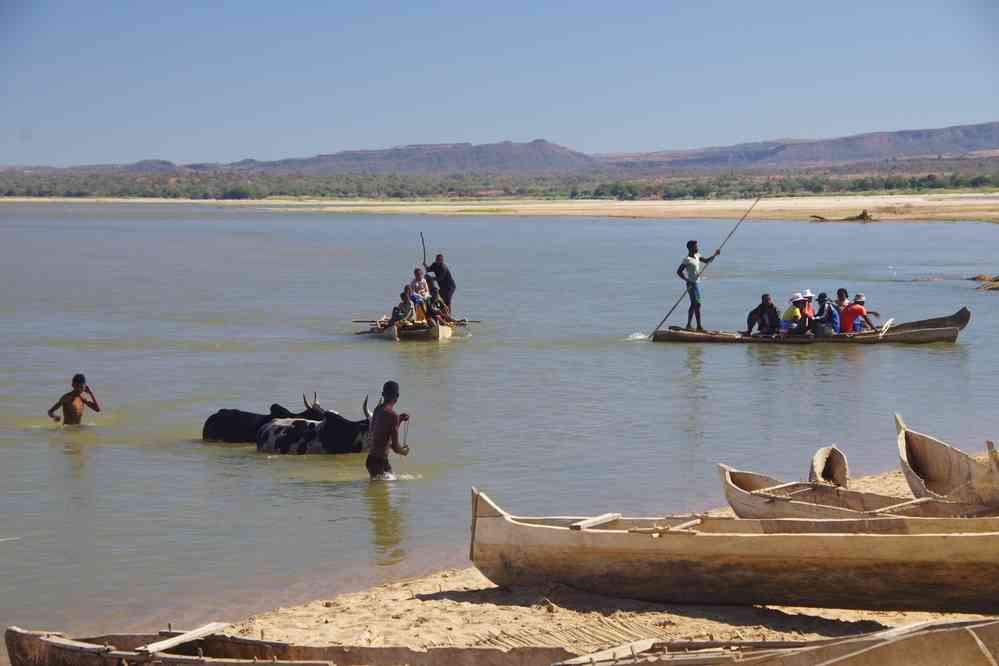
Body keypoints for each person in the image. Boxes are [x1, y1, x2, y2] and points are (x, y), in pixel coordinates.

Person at [366, 381, 410, 480]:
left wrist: (399, 420)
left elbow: (382, 433)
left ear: (382, 394)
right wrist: (404, 452)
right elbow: (395, 447)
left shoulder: (378, 409)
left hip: (373, 460)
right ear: (397, 395)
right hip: (378, 462)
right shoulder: (392, 415)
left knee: (385, 490)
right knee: (382, 493)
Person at [676, 240, 720, 331]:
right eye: (696, 246)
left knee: (695, 304)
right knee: (697, 303)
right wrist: (687, 280)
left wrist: (715, 255)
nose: (697, 248)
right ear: (690, 248)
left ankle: (691, 325)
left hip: (696, 284)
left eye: (697, 246)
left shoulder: (697, 256)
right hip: (690, 284)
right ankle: (696, 326)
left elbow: (707, 261)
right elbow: (679, 272)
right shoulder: (687, 259)